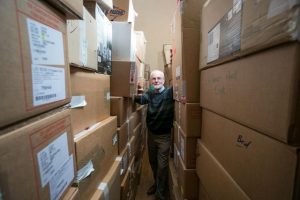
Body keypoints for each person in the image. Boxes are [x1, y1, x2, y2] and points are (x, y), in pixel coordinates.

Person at [135, 69, 174, 200]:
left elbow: (181, 87)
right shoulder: (150, 93)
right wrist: (129, 91)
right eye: (154, 79)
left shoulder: (170, 93)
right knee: (153, 162)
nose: (156, 81)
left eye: (159, 78)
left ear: (164, 80)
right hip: (151, 134)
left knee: (162, 166)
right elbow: (141, 100)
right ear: (151, 81)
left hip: (164, 137)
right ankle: (157, 184)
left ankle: (160, 194)